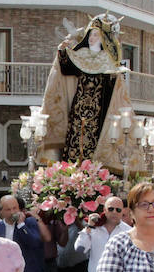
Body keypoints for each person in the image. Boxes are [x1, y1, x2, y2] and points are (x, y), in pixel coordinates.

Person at [42, 14, 125, 162]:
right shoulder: (80, 55)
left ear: (103, 38)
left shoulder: (107, 60)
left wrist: (115, 77)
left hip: (99, 108)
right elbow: (66, 68)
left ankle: (93, 171)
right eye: (90, 35)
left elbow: (113, 84)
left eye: (95, 35)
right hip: (78, 108)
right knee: (75, 138)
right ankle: (72, 170)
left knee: (96, 140)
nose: (92, 38)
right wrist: (62, 50)